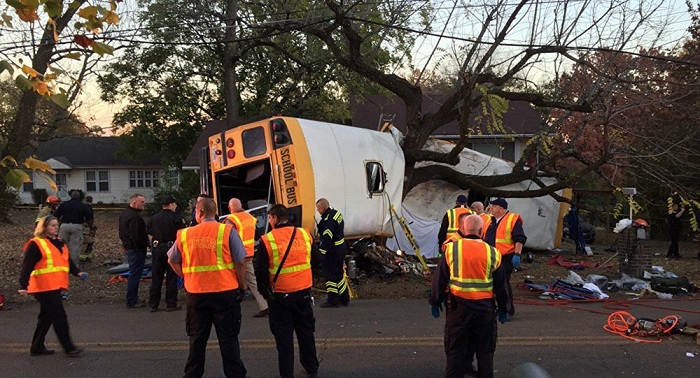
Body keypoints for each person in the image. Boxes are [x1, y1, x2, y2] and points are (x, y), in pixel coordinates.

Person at [168, 198, 248, 378]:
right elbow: (240, 261)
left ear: (200, 212)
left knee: (197, 340)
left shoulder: (185, 234)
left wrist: (186, 276)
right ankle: (235, 374)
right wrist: (242, 285)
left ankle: (192, 375)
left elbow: (172, 260)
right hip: (225, 293)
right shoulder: (227, 231)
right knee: (228, 340)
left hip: (196, 294)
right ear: (215, 212)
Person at [429, 214, 510, 378]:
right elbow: (501, 285)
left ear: (463, 229)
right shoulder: (493, 253)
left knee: (455, 351)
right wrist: (504, 307)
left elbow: (440, 278)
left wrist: (435, 301)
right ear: (482, 231)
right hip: (484, 310)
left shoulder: (452, 249)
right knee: (485, 352)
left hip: (458, 308)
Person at [255, 204, 320, 378]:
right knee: (306, 332)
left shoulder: (267, 240)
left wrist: (266, 294)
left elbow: (259, 271)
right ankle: (311, 367)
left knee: (284, 339)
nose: (269, 221)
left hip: (280, 297)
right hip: (303, 293)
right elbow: (316, 260)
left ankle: (287, 373)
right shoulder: (305, 234)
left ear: (275, 218)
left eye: (269, 218)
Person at [18, 215, 89, 357]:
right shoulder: (36, 244)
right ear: (43, 227)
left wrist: (78, 273)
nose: (56, 228)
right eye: (52, 225)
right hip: (43, 287)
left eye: (57, 225)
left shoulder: (60, 242)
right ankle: (69, 348)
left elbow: (66, 262)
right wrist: (23, 285)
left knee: (46, 317)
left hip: (55, 286)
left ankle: (37, 347)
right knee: (59, 316)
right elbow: (27, 266)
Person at [224, 198, 269, 318]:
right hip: (249, 253)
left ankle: (264, 306)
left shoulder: (231, 220)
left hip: (236, 255)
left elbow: (227, 238)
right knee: (252, 281)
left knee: (229, 280)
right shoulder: (250, 217)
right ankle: (265, 305)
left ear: (230, 208)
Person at [483, 197, 526, 317]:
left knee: (503, 283)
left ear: (501, 208)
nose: (490, 209)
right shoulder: (490, 220)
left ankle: (507, 310)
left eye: (493, 206)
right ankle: (494, 308)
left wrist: (517, 254)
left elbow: (520, 238)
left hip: (505, 257)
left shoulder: (512, 219)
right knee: (491, 284)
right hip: (491, 257)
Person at [147, 195, 185, 312]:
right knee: (171, 277)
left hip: (157, 249)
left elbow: (148, 233)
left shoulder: (154, 218)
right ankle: (171, 303)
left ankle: (153, 304)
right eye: (174, 204)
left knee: (156, 277)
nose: (176, 206)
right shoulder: (177, 218)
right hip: (171, 249)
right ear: (170, 205)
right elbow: (183, 234)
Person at [315, 198, 349, 308]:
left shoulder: (327, 223)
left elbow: (326, 240)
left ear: (321, 208)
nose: (318, 211)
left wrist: (320, 255)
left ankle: (333, 299)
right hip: (341, 249)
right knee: (339, 274)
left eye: (318, 209)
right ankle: (344, 298)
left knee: (330, 276)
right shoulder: (336, 214)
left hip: (332, 252)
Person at [118, 193, 148, 308]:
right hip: (136, 250)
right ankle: (132, 300)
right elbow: (136, 235)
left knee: (133, 273)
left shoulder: (125, 214)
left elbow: (122, 233)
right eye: (142, 202)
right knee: (135, 274)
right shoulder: (134, 217)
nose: (144, 204)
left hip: (130, 248)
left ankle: (132, 298)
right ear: (134, 202)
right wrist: (140, 246)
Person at [53, 190, 93, 266]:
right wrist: (90, 228)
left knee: (62, 245)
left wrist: (57, 225)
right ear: (79, 197)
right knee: (75, 246)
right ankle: (73, 266)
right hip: (77, 226)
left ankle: (61, 263)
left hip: (64, 226)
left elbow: (55, 216)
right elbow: (89, 219)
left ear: (71, 196)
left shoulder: (64, 204)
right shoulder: (82, 205)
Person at [79, 196, 97, 262]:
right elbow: (90, 219)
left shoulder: (83, 207)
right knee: (87, 242)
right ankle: (83, 257)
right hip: (86, 227)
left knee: (87, 242)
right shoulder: (89, 208)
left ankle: (86, 256)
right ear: (92, 200)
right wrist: (92, 228)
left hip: (82, 226)